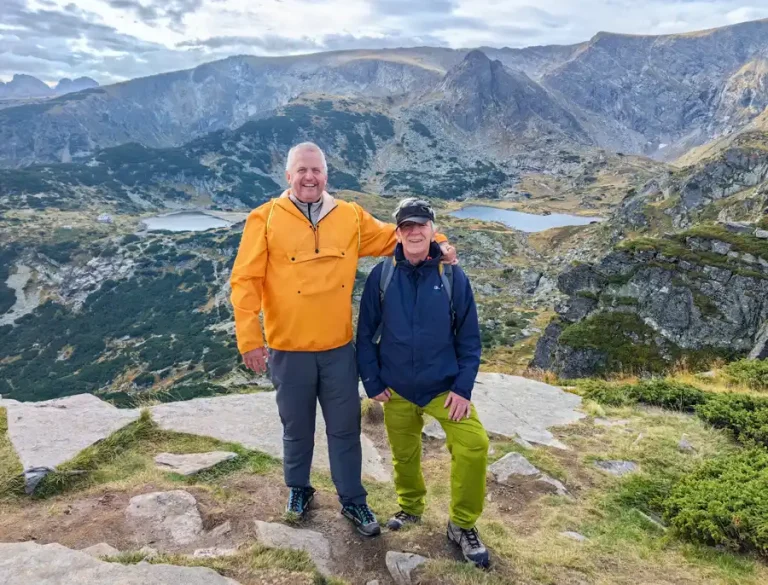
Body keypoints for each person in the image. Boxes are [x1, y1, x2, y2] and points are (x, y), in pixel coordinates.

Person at [230, 143, 456, 537]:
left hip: (337, 349)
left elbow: (396, 238)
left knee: (345, 429)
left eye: (316, 170)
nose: (309, 177)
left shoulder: (349, 216)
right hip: (287, 348)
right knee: (296, 427)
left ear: (326, 175)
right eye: (301, 170)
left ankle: (354, 501)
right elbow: (245, 282)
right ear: (288, 176)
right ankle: (299, 489)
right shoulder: (263, 219)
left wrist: (440, 243)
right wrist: (250, 338)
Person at [356, 197, 490, 568]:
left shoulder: (451, 277)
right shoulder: (381, 276)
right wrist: (373, 381)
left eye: (421, 225)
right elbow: (365, 334)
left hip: (444, 388)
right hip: (396, 387)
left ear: (433, 229)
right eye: (406, 227)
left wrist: (462, 389)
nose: (414, 232)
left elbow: (469, 339)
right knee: (404, 454)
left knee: (474, 445)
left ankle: (462, 525)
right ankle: (411, 507)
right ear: (397, 234)